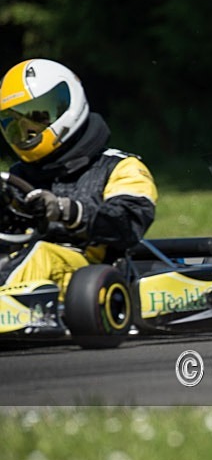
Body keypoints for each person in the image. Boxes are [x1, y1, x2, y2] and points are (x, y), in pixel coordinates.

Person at [0, 58, 157, 297]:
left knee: (43, 254)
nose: (27, 132)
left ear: (68, 104)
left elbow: (128, 225)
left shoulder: (120, 167)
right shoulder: (18, 177)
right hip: (25, 266)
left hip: (91, 274)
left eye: (37, 117)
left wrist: (68, 211)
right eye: (15, 124)